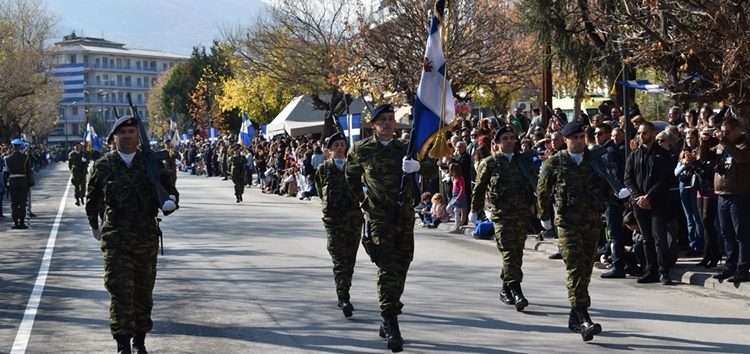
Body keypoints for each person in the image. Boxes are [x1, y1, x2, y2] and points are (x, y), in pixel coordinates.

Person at [345, 103, 437, 352]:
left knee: (402, 264)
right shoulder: (361, 150)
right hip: (379, 218)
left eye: (390, 119)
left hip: (404, 217)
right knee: (386, 267)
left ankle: (391, 308)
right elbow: (350, 176)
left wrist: (418, 166)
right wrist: (363, 201)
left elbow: (433, 167)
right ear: (373, 125)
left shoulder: (405, 149)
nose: (387, 123)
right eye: (382, 120)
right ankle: (390, 318)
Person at [86, 116, 179, 354]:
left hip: (145, 238)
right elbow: (92, 198)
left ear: (139, 136)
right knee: (119, 291)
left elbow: (171, 192)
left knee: (143, 292)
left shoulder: (152, 163)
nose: (127, 136)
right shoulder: (104, 165)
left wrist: (170, 202)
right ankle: (123, 344)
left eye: (131, 131)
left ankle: (139, 342)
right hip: (116, 238)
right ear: (113, 138)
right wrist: (95, 226)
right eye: (122, 132)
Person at [537, 119, 615, 342]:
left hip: (591, 222)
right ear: (565, 139)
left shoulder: (595, 161)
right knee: (575, 266)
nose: (580, 141)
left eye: (583, 137)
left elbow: (607, 187)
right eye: (575, 138)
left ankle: (574, 316)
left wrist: (619, 196)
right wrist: (544, 218)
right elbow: (542, 191)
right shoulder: (555, 162)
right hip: (567, 223)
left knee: (586, 269)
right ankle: (583, 316)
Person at [469, 125, 537, 311]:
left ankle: (505, 287)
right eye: (504, 138)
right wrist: (474, 211)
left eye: (511, 138)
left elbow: (533, 185)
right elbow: (480, 188)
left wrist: (537, 209)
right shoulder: (489, 163)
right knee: (508, 252)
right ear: (496, 143)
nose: (509, 141)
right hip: (501, 215)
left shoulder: (522, 161)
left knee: (517, 253)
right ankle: (516, 290)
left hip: (521, 214)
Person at [315, 132, 364, 318]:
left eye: (343, 144)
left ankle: (345, 291)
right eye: (336, 145)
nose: (340, 148)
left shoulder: (354, 168)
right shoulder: (324, 169)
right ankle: (343, 296)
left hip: (353, 220)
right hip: (334, 221)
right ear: (330, 150)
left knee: (350, 260)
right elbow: (321, 191)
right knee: (339, 259)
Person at [625, 122, 677, 285]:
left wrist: (649, 196)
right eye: (639, 133)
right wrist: (639, 197)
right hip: (639, 203)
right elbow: (628, 178)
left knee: (659, 238)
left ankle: (664, 272)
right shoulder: (633, 156)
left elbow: (666, 179)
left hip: (657, 202)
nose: (642, 136)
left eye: (645, 133)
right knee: (646, 238)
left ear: (653, 134)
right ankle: (650, 270)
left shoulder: (662, 155)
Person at [712, 117, 750, 283]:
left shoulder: (745, 144)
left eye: (728, 132)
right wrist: (705, 142)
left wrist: (725, 142)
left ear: (737, 130)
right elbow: (706, 156)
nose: (725, 135)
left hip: (739, 194)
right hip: (722, 194)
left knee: (741, 233)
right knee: (726, 233)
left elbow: (741, 158)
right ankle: (730, 266)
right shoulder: (724, 144)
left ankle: (743, 268)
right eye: (723, 132)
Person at [4, 139, 33, 229]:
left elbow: (6, 173)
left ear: (13, 147)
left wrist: (6, 185)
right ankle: (22, 222)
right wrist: (30, 183)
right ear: (20, 147)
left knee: (14, 203)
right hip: (23, 181)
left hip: (13, 181)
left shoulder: (7, 158)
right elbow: (28, 171)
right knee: (22, 203)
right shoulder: (25, 157)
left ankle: (15, 222)